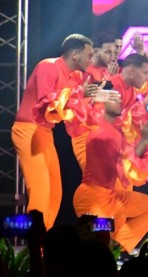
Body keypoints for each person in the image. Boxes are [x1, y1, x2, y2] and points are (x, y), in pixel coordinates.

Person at [11, 34, 102, 229]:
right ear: (75, 54)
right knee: (41, 191)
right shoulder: (48, 66)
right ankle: (35, 242)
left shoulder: (75, 77)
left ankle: (44, 239)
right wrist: (79, 95)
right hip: (28, 130)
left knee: (55, 192)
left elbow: (72, 110)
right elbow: (47, 103)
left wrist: (91, 100)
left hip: (45, 132)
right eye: (89, 55)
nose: (91, 59)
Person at [72, 86, 148, 253]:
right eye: (114, 99)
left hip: (112, 196)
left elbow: (133, 152)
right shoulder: (98, 133)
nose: (121, 103)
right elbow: (127, 164)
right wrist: (147, 138)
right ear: (102, 104)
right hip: (94, 198)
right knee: (95, 246)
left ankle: (116, 247)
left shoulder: (115, 132)